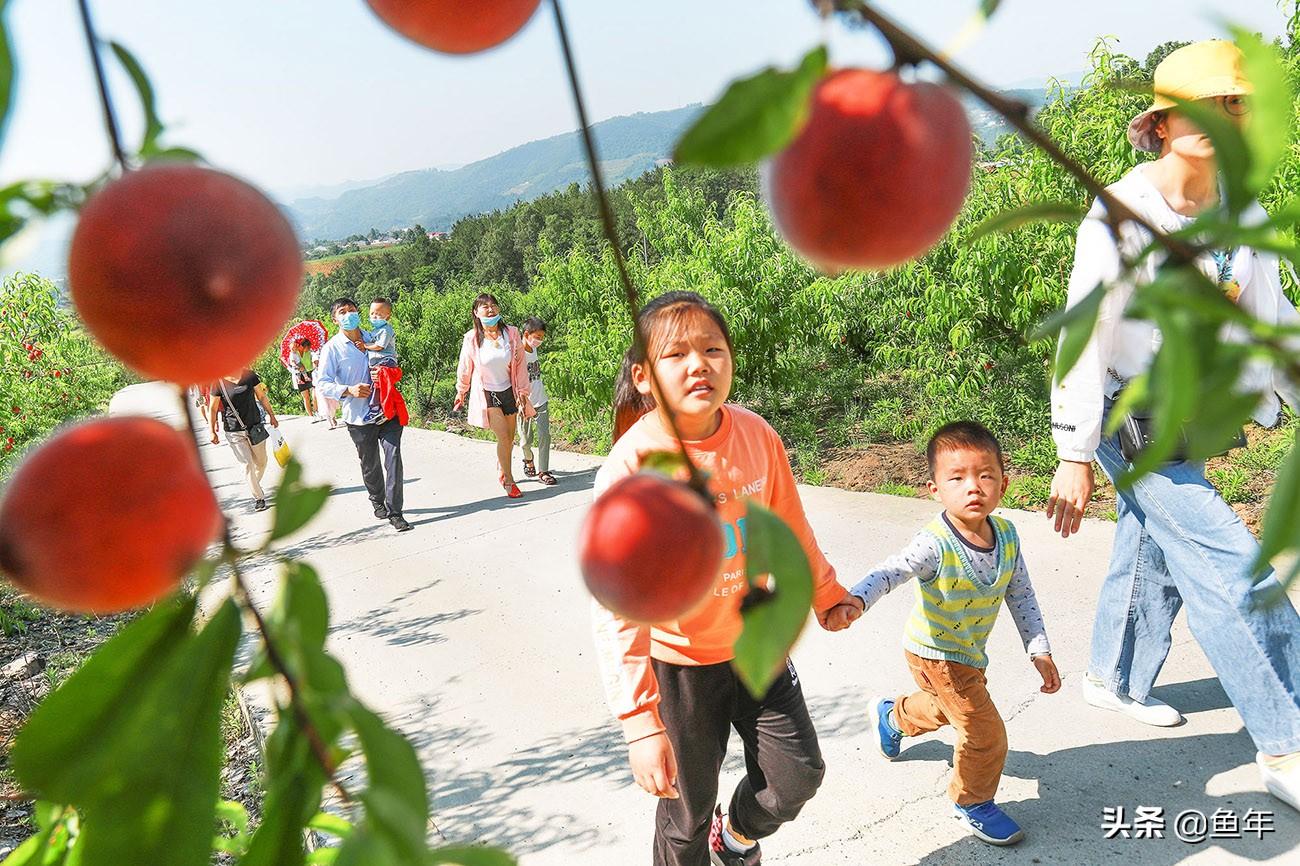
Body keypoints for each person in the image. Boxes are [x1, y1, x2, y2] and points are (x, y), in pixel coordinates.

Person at [1046, 40, 1300, 810]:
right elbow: (1085, 331)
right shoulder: (1120, 215)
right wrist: (1074, 450)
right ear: (1159, 127)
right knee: (1236, 570)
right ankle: (1285, 743)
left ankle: (1112, 675)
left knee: (1154, 545)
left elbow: (1274, 321)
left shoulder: (1240, 210)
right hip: (1133, 420)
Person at [591, 291, 862, 866]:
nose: (700, 365)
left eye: (713, 349)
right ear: (643, 377)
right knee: (686, 813)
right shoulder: (631, 467)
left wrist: (826, 592)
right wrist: (641, 722)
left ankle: (735, 837)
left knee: (797, 777)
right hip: (679, 667)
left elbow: (788, 524)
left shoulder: (757, 436)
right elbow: (617, 608)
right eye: (677, 355)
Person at [839, 421, 1059, 846]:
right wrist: (857, 600)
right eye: (956, 478)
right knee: (984, 731)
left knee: (948, 709)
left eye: (985, 475)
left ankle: (893, 716)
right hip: (935, 653)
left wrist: (1039, 649)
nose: (972, 487)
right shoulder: (935, 542)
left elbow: (1022, 595)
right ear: (934, 488)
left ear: (1004, 483)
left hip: (967, 653)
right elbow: (892, 570)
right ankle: (972, 802)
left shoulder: (1008, 538)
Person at [316, 297, 412, 532]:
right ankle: (377, 499)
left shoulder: (375, 337)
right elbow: (323, 383)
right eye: (342, 312)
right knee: (370, 464)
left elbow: (395, 363)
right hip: (358, 417)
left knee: (394, 457)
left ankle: (395, 511)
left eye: (352, 310)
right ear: (334, 319)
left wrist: (389, 374)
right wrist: (348, 390)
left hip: (387, 411)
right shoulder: (332, 348)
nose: (348, 314)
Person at [453, 293, 534, 498]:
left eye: (493, 306)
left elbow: (520, 366)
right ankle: (509, 480)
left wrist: (523, 393)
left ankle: (502, 467)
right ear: (476, 312)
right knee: (504, 437)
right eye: (485, 307)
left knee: (510, 440)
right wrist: (461, 392)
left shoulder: (512, 333)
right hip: (488, 393)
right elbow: (465, 367)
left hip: (509, 391)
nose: (490, 310)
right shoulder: (471, 338)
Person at [208, 368, 279, 512]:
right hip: (233, 430)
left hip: (255, 427)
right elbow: (213, 408)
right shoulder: (218, 382)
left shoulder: (249, 375)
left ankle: (254, 484)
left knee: (261, 462)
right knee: (247, 465)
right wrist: (212, 431)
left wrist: (272, 415)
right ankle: (259, 497)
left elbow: (262, 396)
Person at [518, 317, 556, 485]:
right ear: (527, 334)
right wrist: (520, 401)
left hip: (540, 399)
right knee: (525, 440)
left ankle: (544, 471)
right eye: (538, 336)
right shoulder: (517, 353)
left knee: (544, 436)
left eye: (542, 337)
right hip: (523, 402)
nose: (540, 340)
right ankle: (528, 459)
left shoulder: (533, 349)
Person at [289, 337, 321, 422]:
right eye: (308, 347)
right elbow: (292, 363)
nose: (309, 349)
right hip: (300, 376)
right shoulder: (294, 353)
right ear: (302, 346)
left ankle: (316, 411)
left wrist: (315, 362)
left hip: (310, 373)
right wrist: (297, 367)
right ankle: (311, 416)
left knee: (314, 394)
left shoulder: (310, 353)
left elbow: (314, 357)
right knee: (306, 397)